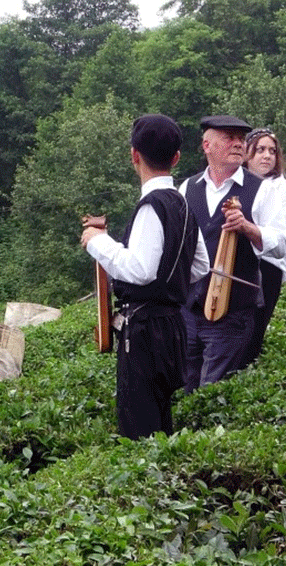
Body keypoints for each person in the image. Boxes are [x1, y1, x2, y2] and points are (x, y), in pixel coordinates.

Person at [81, 114, 209, 440]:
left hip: (145, 332)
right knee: (160, 424)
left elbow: (141, 270)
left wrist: (98, 243)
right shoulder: (182, 202)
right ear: (176, 157)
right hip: (172, 326)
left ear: (134, 155)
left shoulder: (152, 205)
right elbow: (200, 266)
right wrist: (170, 282)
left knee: (139, 428)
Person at [179, 115, 286, 391]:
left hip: (233, 313)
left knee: (213, 391)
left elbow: (281, 243)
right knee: (184, 388)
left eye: (241, 139)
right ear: (207, 145)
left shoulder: (263, 189)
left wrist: (248, 228)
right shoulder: (187, 188)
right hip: (189, 311)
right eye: (229, 138)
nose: (238, 144)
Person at [242, 127, 286, 365]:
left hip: (266, 269)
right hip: (250, 267)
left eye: (272, 151)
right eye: (260, 150)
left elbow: (278, 242)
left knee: (250, 337)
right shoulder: (249, 185)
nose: (267, 156)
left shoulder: (278, 188)